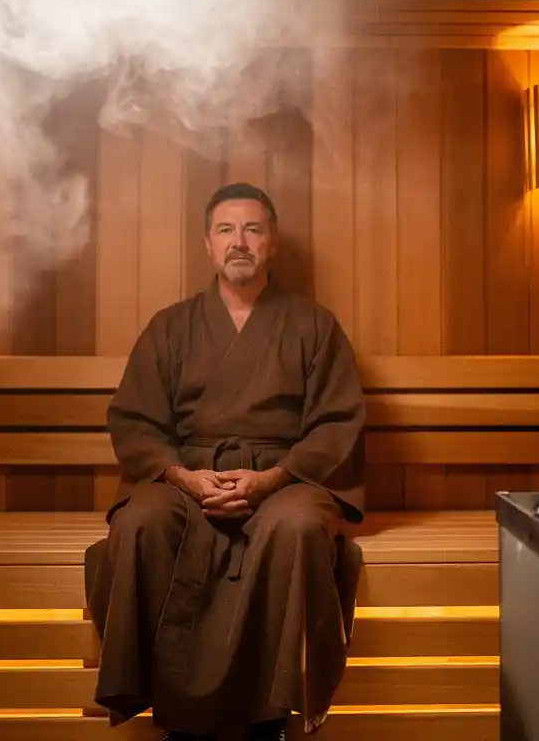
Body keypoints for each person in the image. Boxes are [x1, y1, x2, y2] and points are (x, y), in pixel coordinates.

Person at [83, 182, 367, 741]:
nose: (240, 242)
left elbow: (337, 422)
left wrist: (271, 480)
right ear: (208, 244)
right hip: (188, 474)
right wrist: (181, 476)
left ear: (273, 243)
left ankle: (273, 714)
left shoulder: (314, 326)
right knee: (142, 523)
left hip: (287, 474)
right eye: (226, 230)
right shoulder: (171, 327)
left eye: (253, 229)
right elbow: (135, 420)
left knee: (299, 527)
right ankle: (175, 714)